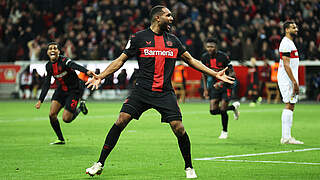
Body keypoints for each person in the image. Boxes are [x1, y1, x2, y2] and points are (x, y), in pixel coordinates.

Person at [85, 5, 234, 179]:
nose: (172, 18)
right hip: (141, 90)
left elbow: (191, 61)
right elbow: (120, 60)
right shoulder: (138, 38)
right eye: (168, 15)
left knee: (178, 128)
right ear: (157, 18)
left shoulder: (173, 40)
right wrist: (101, 76)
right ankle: (99, 163)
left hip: (164, 92)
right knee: (121, 121)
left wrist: (215, 73)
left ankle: (189, 167)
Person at [34, 42, 94, 145]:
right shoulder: (48, 66)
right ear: (48, 52)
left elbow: (75, 66)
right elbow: (47, 83)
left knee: (66, 119)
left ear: (58, 51)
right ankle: (60, 139)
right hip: (61, 90)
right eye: (50, 49)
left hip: (74, 90)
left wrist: (86, 71)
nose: (52, 50)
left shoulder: (64, 61)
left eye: (55, 48)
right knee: (52, 114)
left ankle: (80, 108)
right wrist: (40, 100)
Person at [201, 38, 240, 139]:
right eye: (208, 46)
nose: (210, 49)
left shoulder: (223, 57)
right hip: (214, 86)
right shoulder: (204, 58)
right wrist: (205, 89)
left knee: (223, 109)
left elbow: (232, 73)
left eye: (212, 47)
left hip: (226, 85)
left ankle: (224, 131)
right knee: (213, 110)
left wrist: (222, 82)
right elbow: (204, 74)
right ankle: (233, 108)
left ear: (216, 47)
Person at [278, 21, 303, 144]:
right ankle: (286, 137)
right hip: (287, 79)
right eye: (293, 27)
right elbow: (286, 64)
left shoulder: (290, 43)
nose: (296, 29)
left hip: (290, 79)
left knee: (291, 105)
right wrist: (294, 82)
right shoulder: (285, 44)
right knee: (289, 104)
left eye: (296, 27)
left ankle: (287, 136)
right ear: (287, 30)